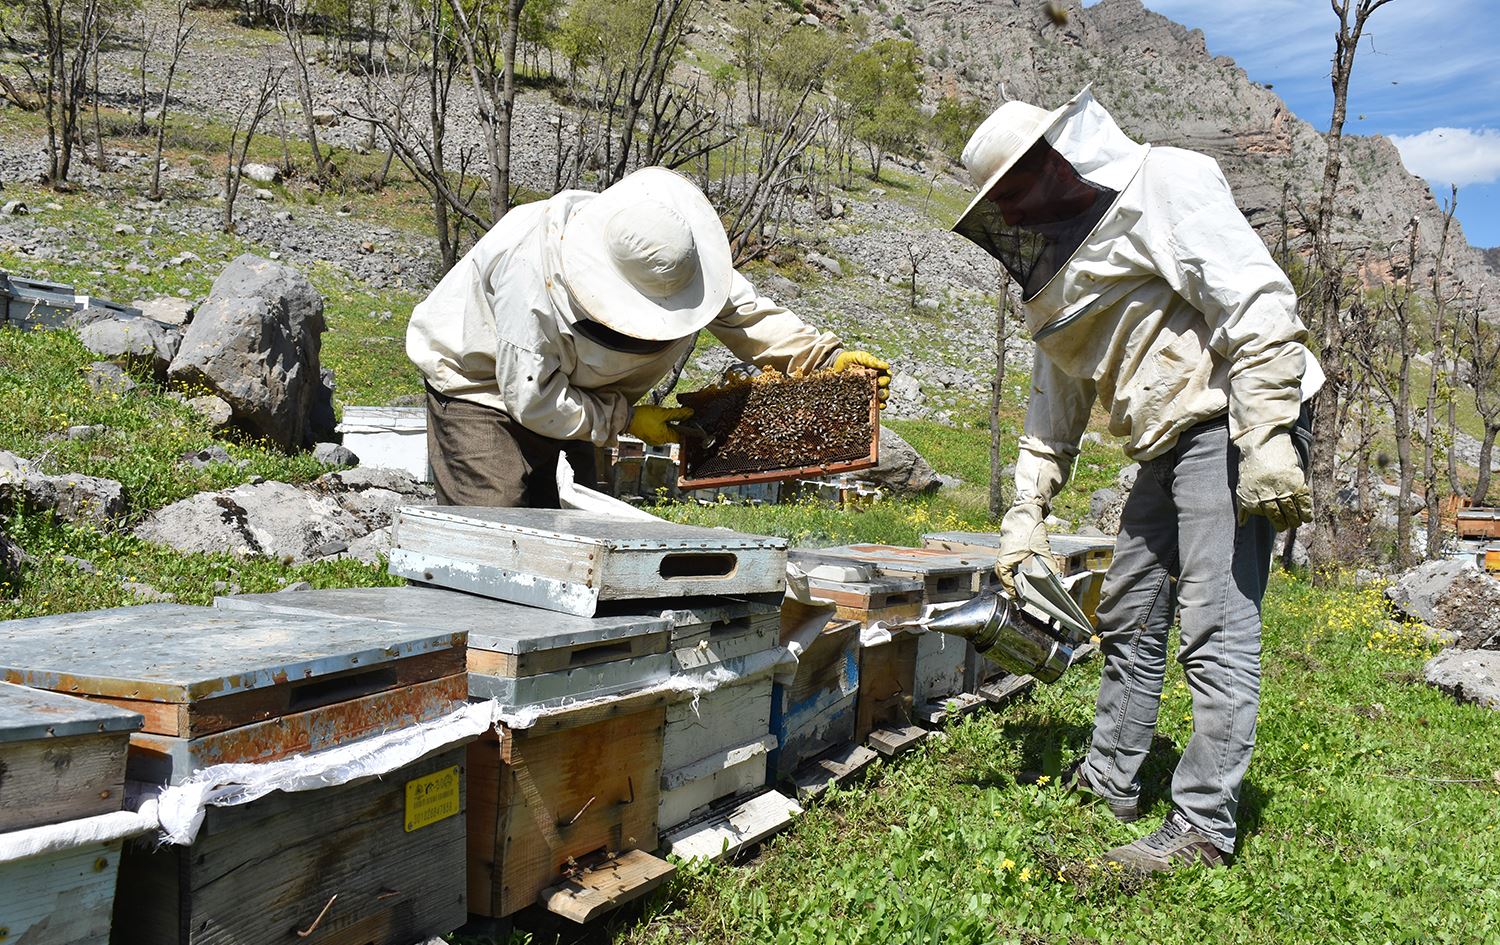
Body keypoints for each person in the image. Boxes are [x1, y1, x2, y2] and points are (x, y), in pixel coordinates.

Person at [951, 88, 1320, 871]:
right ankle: (1109, 778)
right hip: (1166, 439)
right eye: (999, 204)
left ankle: (1203, 827)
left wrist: (1264, 436)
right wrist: (1026, 513)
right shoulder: (1051, 275)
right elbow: (1053, 404)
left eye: (1015, 190)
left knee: (1216, 626)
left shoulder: (1166, 182)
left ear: (1057, 162)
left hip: (1231, 416)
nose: (1011, 214)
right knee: (1129, 609)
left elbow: (1255, 298)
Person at [407, 166, 889, 507]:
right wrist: (627, 419)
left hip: (580, 390)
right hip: (482, 388)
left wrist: (826, 359)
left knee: (586, 527)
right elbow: (532, 399)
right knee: (496, 526)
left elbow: (747, 316)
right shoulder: (530, 276)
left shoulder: (669, 255)